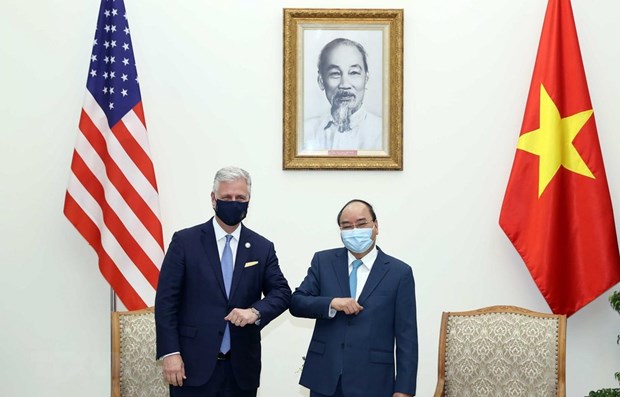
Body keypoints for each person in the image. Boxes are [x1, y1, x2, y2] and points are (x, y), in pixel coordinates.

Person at [155, 166, 291, 397]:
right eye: (227, 197)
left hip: (241, 370)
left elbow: (282, 292)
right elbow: (166, 303)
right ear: (213, 199)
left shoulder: (261, 247)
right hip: (191, 366)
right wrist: (170, 354)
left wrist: (255, 312)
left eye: (240, 198)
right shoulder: (185, 242)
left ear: (249, 200)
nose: (234, 202)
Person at [290, 199, 418, 397]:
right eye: (347, 226)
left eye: (361, 223)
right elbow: (297, 303)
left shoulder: (399, 273)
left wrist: (404, 389)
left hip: (373, 381)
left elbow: (407, 336)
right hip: (325, 379)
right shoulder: (323, 262)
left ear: (376, 226)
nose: (354, 230)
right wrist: (332, 303)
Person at [304, 38, 383, 152]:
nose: (345, 84)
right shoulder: (304, 132)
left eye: (354, 72)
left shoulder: (384, 133)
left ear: (366, 79)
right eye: (335, 73)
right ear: (321, 81)